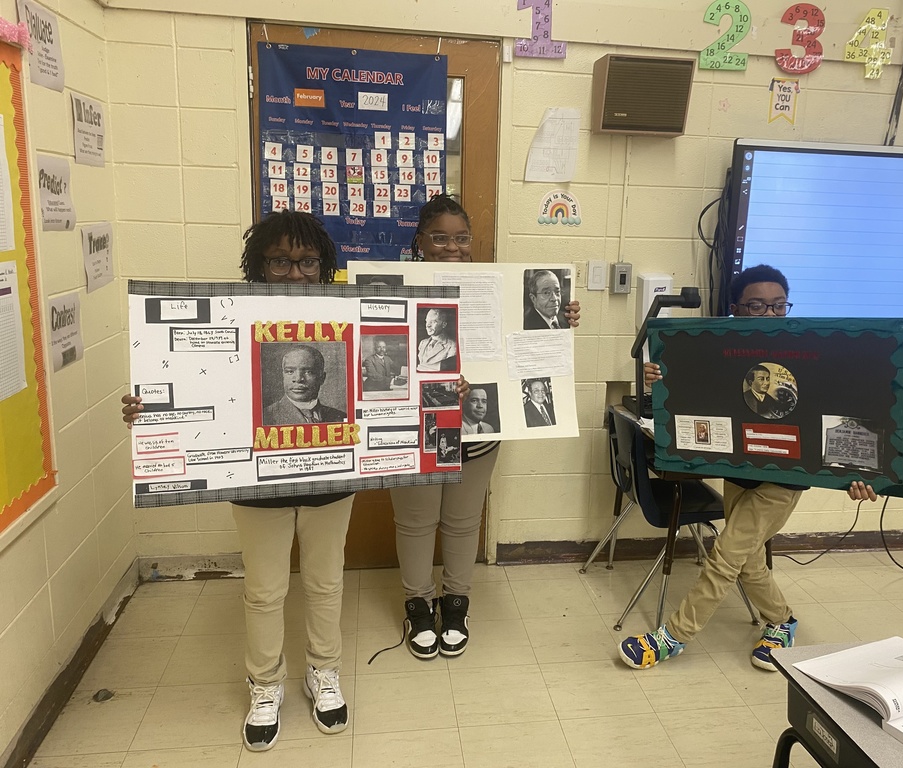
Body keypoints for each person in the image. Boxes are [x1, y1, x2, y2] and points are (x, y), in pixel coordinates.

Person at [122, 210, 352, 752]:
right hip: (256, 486)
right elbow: (186, 384)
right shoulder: (233, 321)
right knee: (265, 589)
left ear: (324, 266)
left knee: (325, 583)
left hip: (332, 482)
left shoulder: (352, 315)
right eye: (280, 261)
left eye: (307, 261)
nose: (295, 273)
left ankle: (325, 671)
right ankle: (265, 683)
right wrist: (150, 410)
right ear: (258, 266)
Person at [619, 263, 878, 673]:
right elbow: (692, 393)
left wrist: (856, 472)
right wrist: (659, 378)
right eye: (757, 306)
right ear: (737, 308)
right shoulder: (721, 353)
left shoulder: (810, 354)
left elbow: (843, 412)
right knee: (749, 559)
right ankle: (782, 621)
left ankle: (674, 636)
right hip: (740, 470)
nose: (770, 315)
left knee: (727, 554)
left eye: (778, 306)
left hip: (784, 480)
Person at [391, 195, 580, 659]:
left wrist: (563, 325)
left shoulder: (495, 286)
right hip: (418, 428)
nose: (451, 247)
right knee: (416, 521)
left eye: (460, 238)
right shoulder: (395, 287)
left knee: (461, 521)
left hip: (480, 431)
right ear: (420, 242)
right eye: (439, 237)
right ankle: (418, 602)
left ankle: (456, 600)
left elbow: (529, 346)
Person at [264, 345, 347, 424]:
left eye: (308, 372)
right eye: (290, 371)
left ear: (322, 378)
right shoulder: (266, 417)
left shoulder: (341, 418)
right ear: (283, 375)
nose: (298, 379)